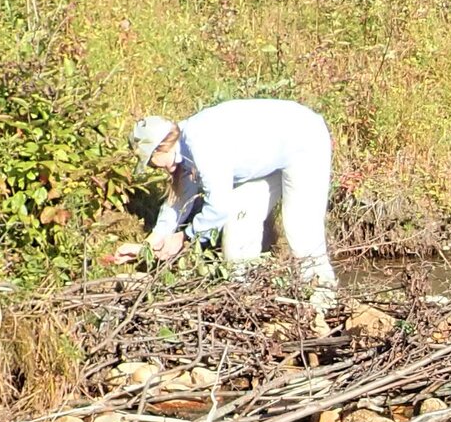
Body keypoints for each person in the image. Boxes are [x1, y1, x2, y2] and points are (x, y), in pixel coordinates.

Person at [130, 97, 338, 305]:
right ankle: (248, 298)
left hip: (303, 140)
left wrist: (184, 237)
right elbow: (179, 199)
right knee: (238, 222)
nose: (151, 167)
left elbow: (218, 206)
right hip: (267, 157)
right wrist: (151, 242)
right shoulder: (181, 150)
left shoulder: (200, 143)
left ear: (159, 149)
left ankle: (323, 301)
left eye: (148, 161)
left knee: (301, 231)